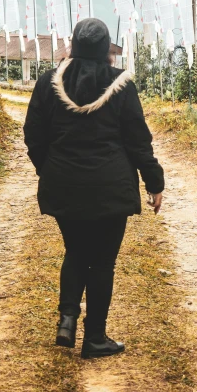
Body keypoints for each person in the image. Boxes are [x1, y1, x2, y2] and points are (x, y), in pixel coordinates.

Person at [23, 18, 165, 360]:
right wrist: (154, 181)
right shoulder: (121, 86)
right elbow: (137, 140)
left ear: (73, 44)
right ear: (106, 49)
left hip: (63, 185)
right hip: (110, 189)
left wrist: (49, 168)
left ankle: (67, 319)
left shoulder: (48, 83)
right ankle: (95, 338)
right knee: (102, 261)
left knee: (75, 251)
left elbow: (33, 135)